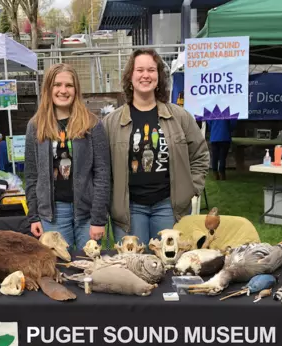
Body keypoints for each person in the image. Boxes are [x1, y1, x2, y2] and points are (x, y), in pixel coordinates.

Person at [103, 48, 210, 246]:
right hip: (129, 209)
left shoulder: (180, 117)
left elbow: (200, 155)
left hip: (168, 207)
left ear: (159, 76)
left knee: (169, 264)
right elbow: (101, 168)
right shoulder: (111, 122)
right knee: (132, 265)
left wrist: (191, 189)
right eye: (140, 70)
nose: (146, 75)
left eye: (151, 70)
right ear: (130, 76)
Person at [25, 63, 110, 251]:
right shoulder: (36, 126)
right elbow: (31, 175)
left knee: (89, 268)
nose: (63, 90)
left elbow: (102, 174)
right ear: (48, 88)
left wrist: (98, 219)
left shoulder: (92, 125)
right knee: (59, 270)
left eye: (69, 85)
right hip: (53, 214)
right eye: (57, 85)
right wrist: (34, 217)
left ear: (76, 89)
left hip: (86, 213)